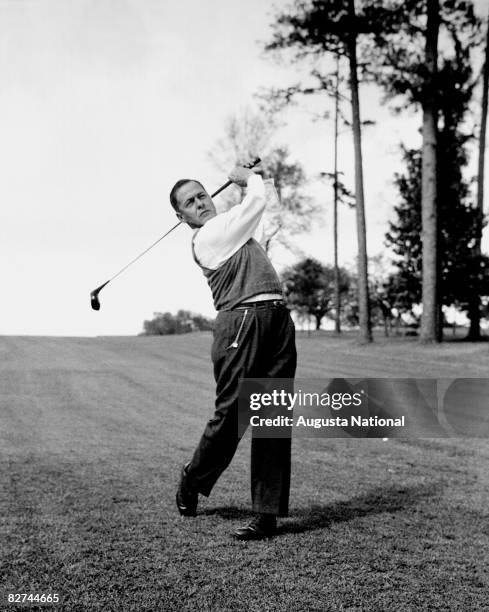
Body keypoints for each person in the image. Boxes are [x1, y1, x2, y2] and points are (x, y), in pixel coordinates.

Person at [170, 164, 296, 540]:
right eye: (190, 202)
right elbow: (255, 203)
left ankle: (266, 514)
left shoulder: (231, 229)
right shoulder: (208, 236)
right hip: (241, 323)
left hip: (276, 318)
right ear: (182, 217)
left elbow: (254, 204)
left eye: (202, 195)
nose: (200, 203)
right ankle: (193, 478)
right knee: (233, 416)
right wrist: (250, 181)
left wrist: (257, 175)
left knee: (273, 415)